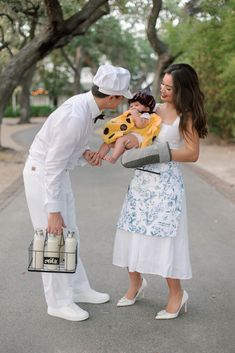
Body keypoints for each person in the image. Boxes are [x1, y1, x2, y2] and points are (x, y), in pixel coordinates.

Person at [23, 64, 132, 321]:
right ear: (112, 97)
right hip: (44, 176)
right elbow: (52, 164)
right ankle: (58, 302)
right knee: (54, 240)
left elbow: (71, 150)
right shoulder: (75, 115)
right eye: (121, 97)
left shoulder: (85, 106)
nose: (122, 102)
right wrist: (53, 211)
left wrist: (86, 155)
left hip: (57, 174)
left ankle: (77, 288)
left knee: (71, 233)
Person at [112, 63, 208, 319]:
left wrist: (161, 152)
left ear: (183, 90)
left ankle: (177, 294)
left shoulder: (186, 116)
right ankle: (135, 284)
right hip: (142, 181)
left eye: (169, 88)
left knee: (165, 238)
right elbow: (137, 133)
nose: (163, 91)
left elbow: (192, 153)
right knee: (131, 230)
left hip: (166, 186)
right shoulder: (154, 108)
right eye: (163, 85)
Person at [98, 89, 161, 163]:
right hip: (128, 135)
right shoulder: (131, 114)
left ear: (147, 108)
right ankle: (99, 156)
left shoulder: (146, 115)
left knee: (121, 140)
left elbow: (140, 125)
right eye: (131, 106)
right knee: (108, 141)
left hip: (138, 137)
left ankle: (113, 158)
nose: (133, 107)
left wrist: (135, 115)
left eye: (137, 105)